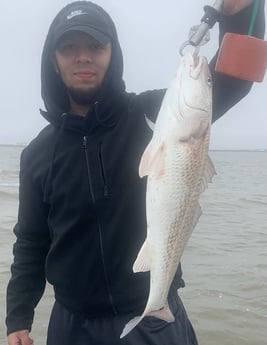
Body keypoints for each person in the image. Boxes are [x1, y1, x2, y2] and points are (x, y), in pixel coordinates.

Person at [6, 1, 265, 344]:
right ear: (53, 61)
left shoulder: (156, 115)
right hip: (73, 328)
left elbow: (236, 78)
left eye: (96, 46)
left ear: (113, 53)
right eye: (69, 48)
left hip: (156, 321)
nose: (83, 57)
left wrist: (241, 12)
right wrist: (18, 318)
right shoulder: (37, 155)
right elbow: (31, 242)